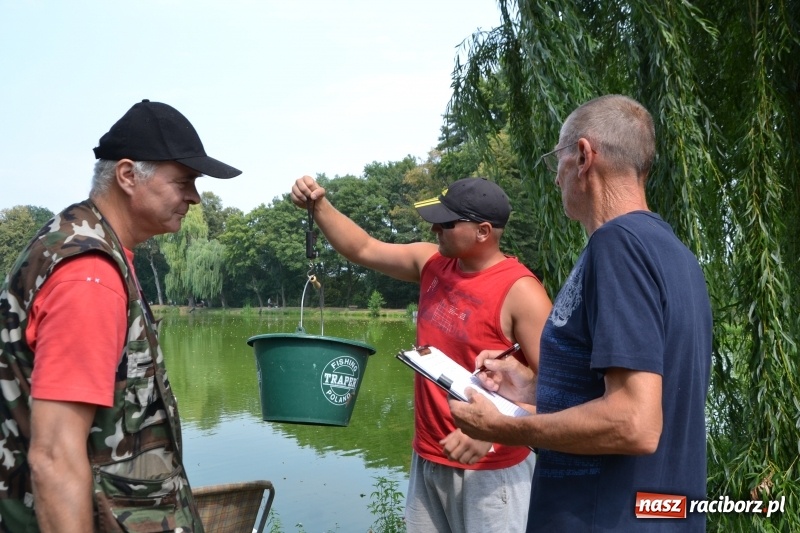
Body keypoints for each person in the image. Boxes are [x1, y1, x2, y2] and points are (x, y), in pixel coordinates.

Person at [448, 95, 712, 532]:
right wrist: (532, 386)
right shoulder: (676, 255)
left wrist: (502, 428)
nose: (556, 177)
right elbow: (646, 393)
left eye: (558, 158)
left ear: (584, 156)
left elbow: (634, 423)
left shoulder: (618, 245)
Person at [0, 99, 241, 532]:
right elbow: (54, 458)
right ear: (128, 175)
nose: (195, 198)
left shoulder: (94, 246)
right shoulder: (89, 274)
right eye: (183, 181)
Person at [291, 175, 552, 533]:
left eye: (446, 222)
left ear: (483, 231)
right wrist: (319, 206)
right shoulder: (431, 263)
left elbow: (561, 396)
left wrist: (497, 430)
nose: (434, 228)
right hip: (428, 459)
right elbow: (363, 248)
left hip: (492, 473)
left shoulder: (522, 293)